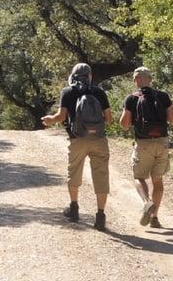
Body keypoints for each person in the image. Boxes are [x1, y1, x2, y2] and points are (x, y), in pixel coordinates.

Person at [41, 62, 112, 231]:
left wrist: (50, 119)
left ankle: (74, 209)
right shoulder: (99, 92)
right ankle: (100, 216)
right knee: (101, 176)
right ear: (89, 76)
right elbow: (109, 119)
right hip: (99, 140)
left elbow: (61, 116)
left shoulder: (68, 91)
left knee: (74, 173)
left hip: (77, 139)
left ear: (73, 76)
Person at [119, 66, 173, 228]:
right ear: (150, 79)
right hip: (162, 142)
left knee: (139, 177)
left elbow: (124, 125)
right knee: (157, 181)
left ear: (135, 80)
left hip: (143, 143)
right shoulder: (163, 96)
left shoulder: (131, 99)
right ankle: (154, 218)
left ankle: (147, 202)